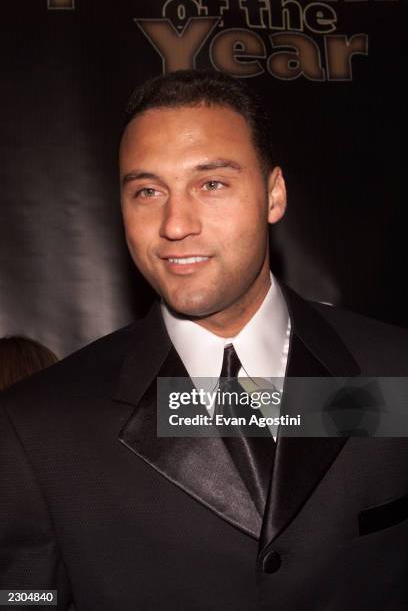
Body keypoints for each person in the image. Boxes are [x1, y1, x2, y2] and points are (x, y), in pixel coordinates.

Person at [1, 70, 408, 611]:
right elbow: (24, 597)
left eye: (210, 183)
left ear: (274, 195)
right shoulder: (37, 426)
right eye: (147, 191)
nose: (174, 223)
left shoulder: (394, 373)